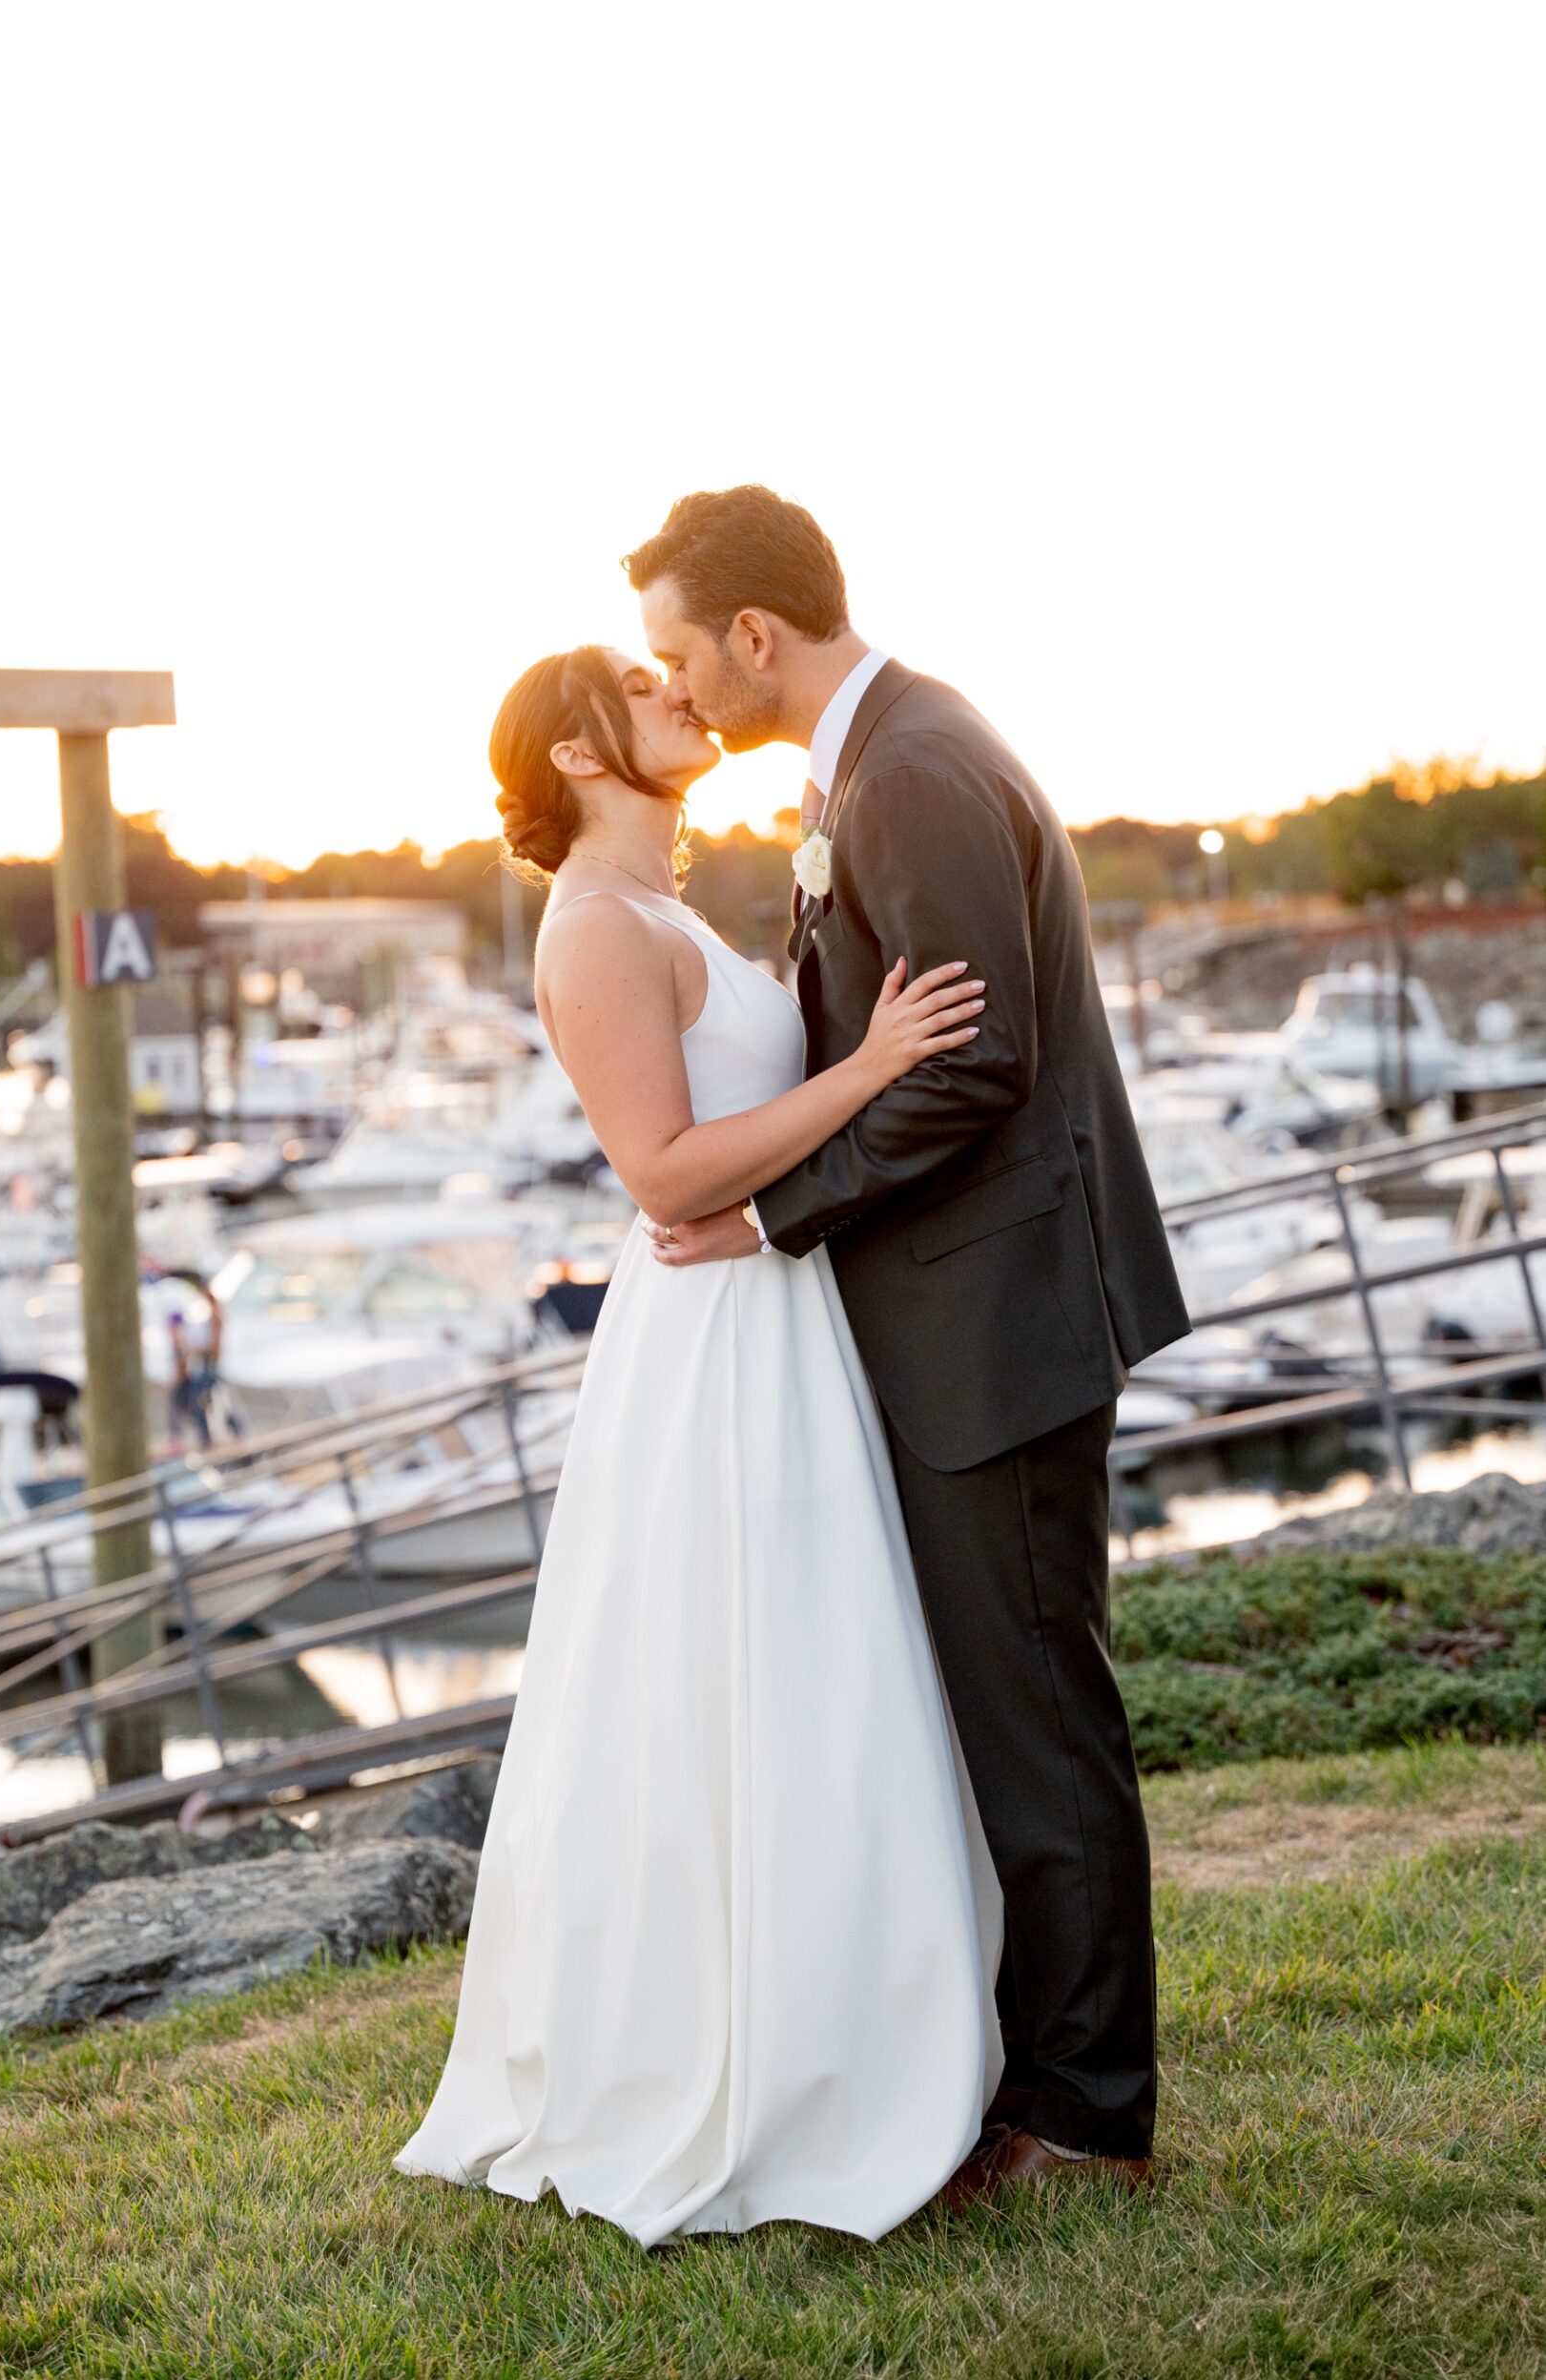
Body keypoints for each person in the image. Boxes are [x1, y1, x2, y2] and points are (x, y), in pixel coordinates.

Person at [396, 643, 1005, 2245]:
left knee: (821, 1673)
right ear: (580, 753)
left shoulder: (660, 909)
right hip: (713, 1341)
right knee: (739, 1679)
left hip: (784, 1319)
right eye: (637, 684)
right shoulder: (592, 931)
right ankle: (741, 2059)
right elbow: (663, 1172)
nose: (677, 691)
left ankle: (860, 2022)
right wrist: (872, 1066)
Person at [627, 487, 1189, 2191]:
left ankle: (1086, 2115)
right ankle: (1037, 2071)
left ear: (751, 634)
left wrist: (766, 1214)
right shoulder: (875, 762)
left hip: (997, 1320)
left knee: (1037, 1715)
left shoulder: (912, 771)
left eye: (676, 651)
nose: (679, 688)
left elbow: (975, 1057)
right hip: (964, 1312)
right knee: (1008, 1708)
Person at [167, 1285, 223, 1451]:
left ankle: (206, 1439)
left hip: (207, 1367)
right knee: (191, 1402)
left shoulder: (214, 1321)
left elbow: (214, 1350)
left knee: (199, 1402)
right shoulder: (200, 1322)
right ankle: (199, 1438)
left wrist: (194, 1349)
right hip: (198, 1367)